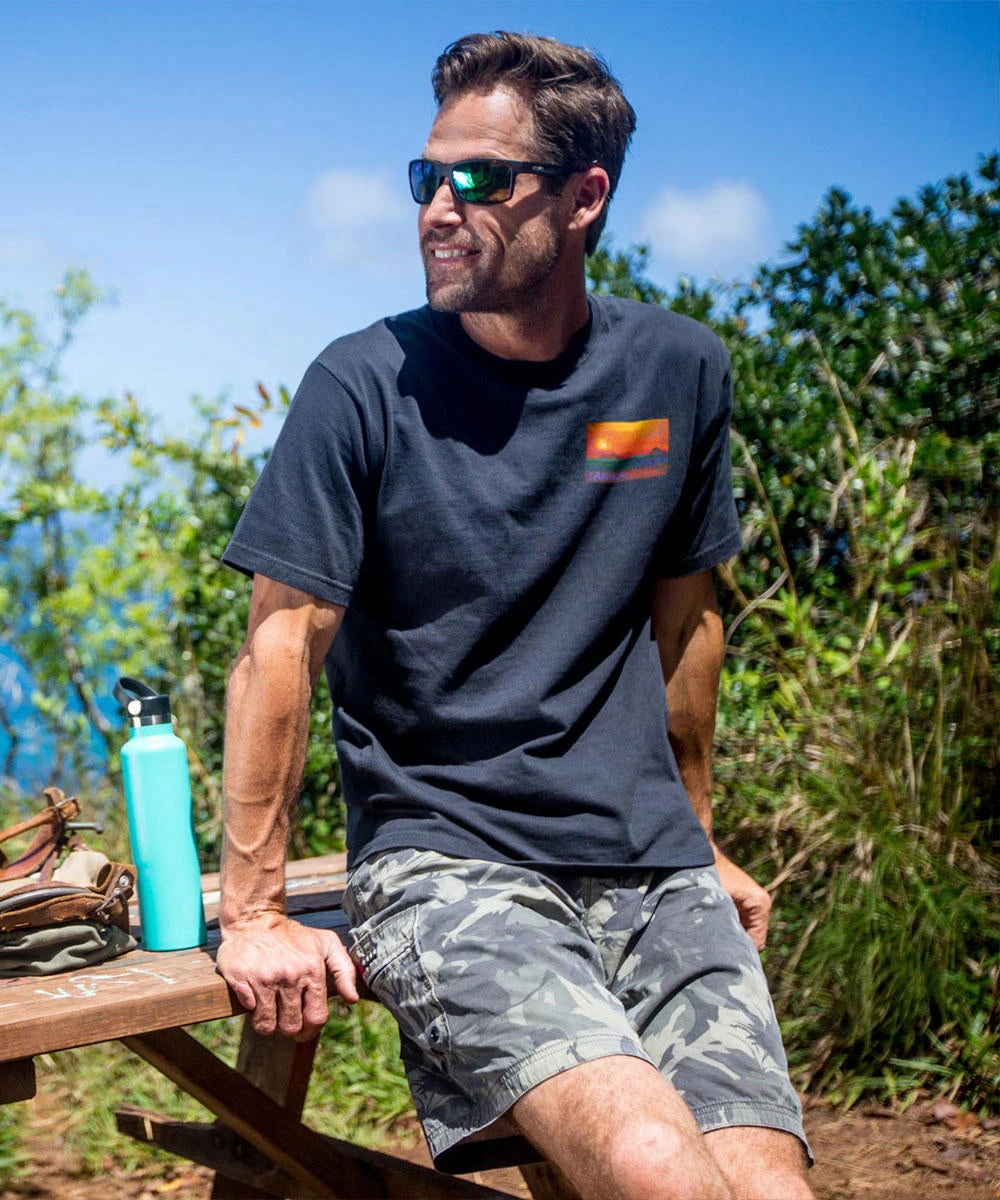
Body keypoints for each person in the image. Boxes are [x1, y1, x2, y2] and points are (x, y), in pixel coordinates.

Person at [216, 30, 814, 1200]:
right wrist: (253, 911)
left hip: (648, 865)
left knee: (769, 1186)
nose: (439, 208)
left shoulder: (677, 371)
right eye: (426, 177)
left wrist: (698, 833)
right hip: (449, 860)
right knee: (651, 1165)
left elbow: (686, 626)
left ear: (584, 198)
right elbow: (280, 642)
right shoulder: (362, 384)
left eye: (482, 180)